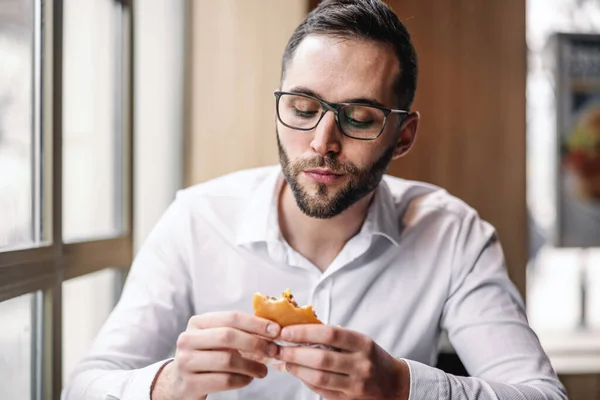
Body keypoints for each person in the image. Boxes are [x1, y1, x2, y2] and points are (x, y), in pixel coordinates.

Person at [62, 1, 567, 399]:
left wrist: (402, 388)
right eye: (303, 108)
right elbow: (83, 387)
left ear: (403, 136)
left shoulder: (454, 235)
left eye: (360, 117)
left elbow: (541, 395)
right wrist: (170, 385)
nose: (322, 141)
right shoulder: (196, 219)